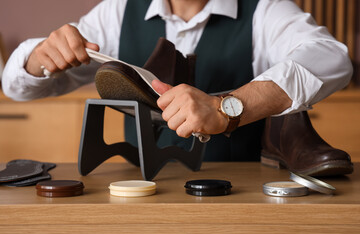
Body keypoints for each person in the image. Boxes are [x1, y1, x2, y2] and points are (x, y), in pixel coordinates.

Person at [2, 0, 353, 174]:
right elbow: (19, 88)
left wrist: (227, 108)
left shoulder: (264, 9)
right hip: (138, 199)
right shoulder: (119, 10)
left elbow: (332, 58)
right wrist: (38, 56)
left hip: (236, 203)